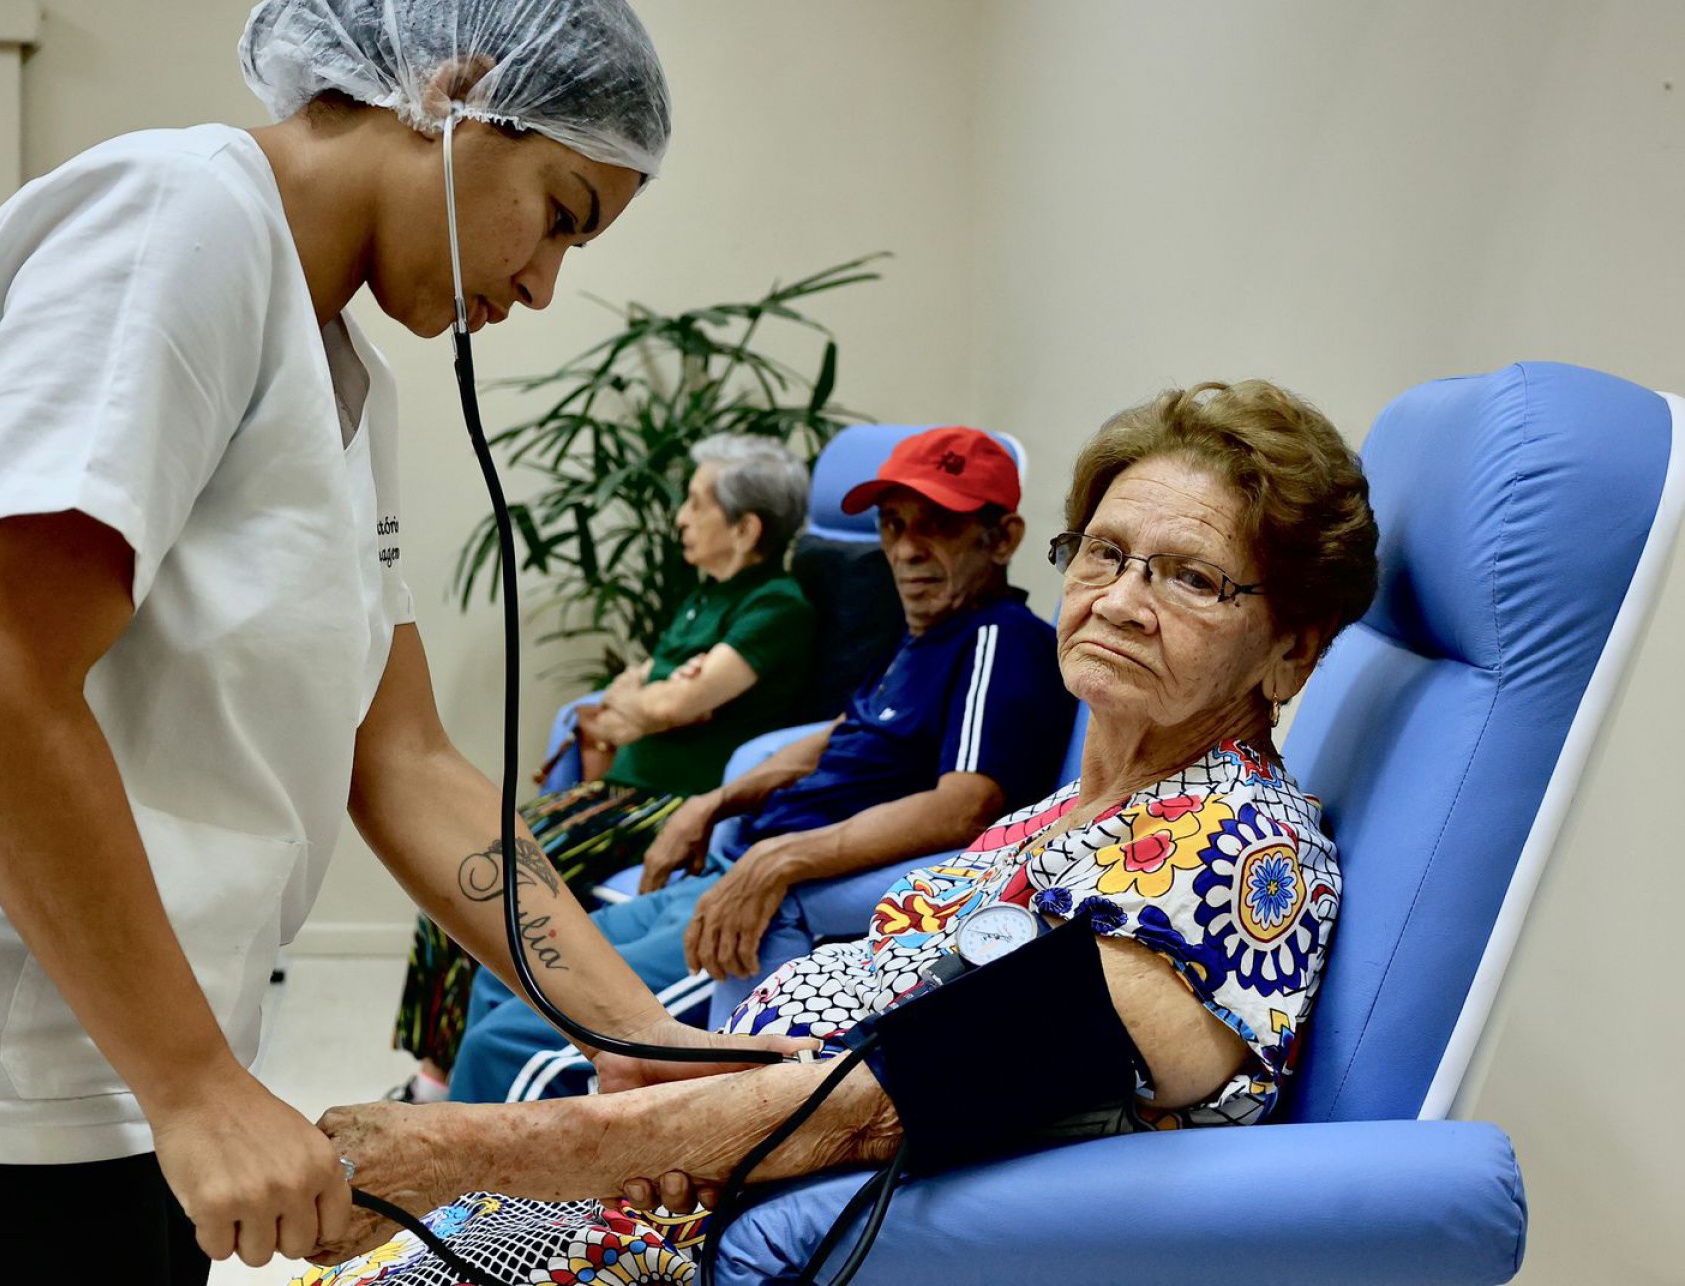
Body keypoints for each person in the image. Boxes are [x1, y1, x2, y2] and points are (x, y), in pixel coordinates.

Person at [0, 3, 806, 1282]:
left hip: (127, 1062)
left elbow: (409, 759)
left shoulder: (341, 380)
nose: (542, 281)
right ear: (454, 90)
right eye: (562, 210)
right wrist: (198, 1085)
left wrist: (642, 1033)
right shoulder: (177, 221)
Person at [289, 378, 1381, 1284]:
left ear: (1291, 650)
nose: (1121, 599)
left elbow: (886, 1104)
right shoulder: (1063, 811)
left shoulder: (1247, 850)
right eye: (1103, 552)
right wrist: (676, 1084)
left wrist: (467, 1149)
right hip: (694, 1170)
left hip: (741, 1232)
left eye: (1190, 576)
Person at [444, 425, 1079, 1105]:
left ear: (1003, 538)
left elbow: (967, 806)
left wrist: (779, 860)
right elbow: (840, 736)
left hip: (777, 911)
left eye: (938, 526)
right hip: (727, 871)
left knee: (508, 1040)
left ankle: (464, 1198)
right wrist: (712, 804)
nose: (906, 549)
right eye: (893, 526)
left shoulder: (998, 642)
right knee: (509, 958)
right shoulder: (921, 640)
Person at [395, 433, 814, 1103]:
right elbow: (631, 697)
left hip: (663, 801)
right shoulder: (703, 598)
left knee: (483, 876)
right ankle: (435, 1075)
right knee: (458, 871)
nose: (680, 516)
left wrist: (650, 703)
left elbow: (667, 700)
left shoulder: (776, 607)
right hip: (620, 788)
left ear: (746, 527)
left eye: (697, 503)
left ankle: (438, 1085)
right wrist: (647, 703)